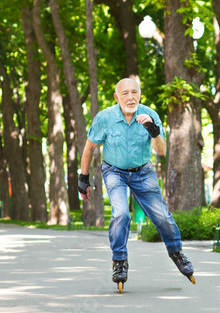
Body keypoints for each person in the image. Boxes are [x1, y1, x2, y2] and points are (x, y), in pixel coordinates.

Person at [78, 77, 195, 287]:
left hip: (143, 171)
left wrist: (154, 131)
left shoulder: (150, 115)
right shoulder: (104, 118)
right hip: (114, 171)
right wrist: (83, 178)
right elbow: (89, 148)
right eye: (125, 93)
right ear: (117, 97)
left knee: (161, 216)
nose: (130, 97)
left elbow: (161, 151)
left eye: (134, 92)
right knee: (121, 213)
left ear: (139, 94)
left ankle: (176, 253)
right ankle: (119, 261)